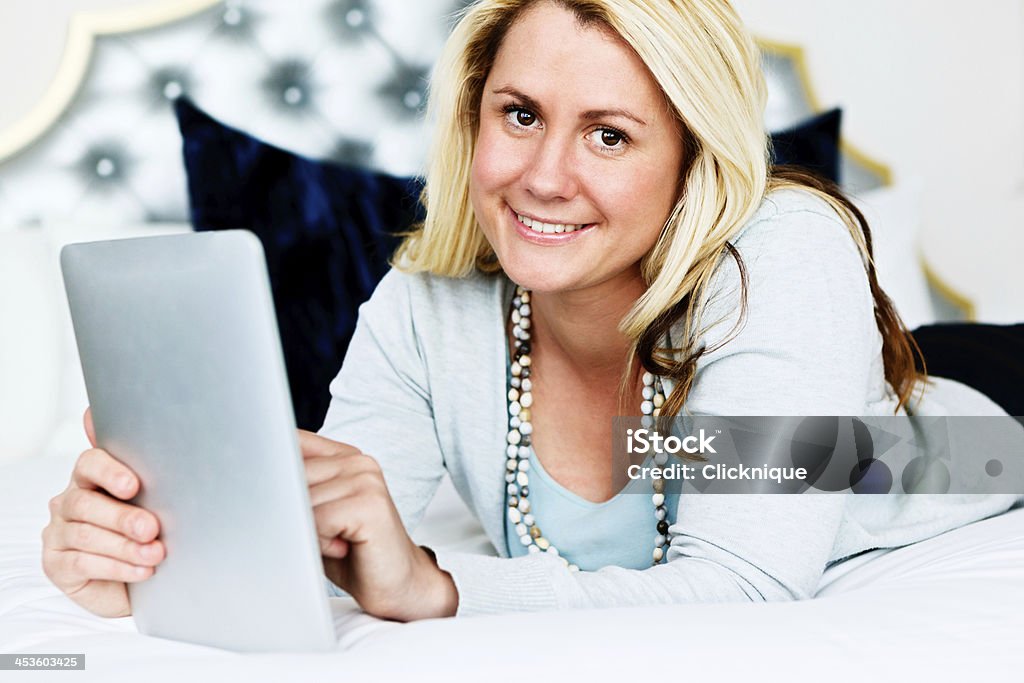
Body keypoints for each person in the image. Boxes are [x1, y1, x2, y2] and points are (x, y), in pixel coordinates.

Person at [41, 0, 1023, 621]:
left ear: (691, 159)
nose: (543, 177)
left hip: (964, 421)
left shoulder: (783, 248)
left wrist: (444, 584)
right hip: (823, 403)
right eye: (520, 115)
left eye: (608, 133)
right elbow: (338, 539)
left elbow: (749, 581)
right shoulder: (425, 305)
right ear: (475, 115)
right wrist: (148, 562)